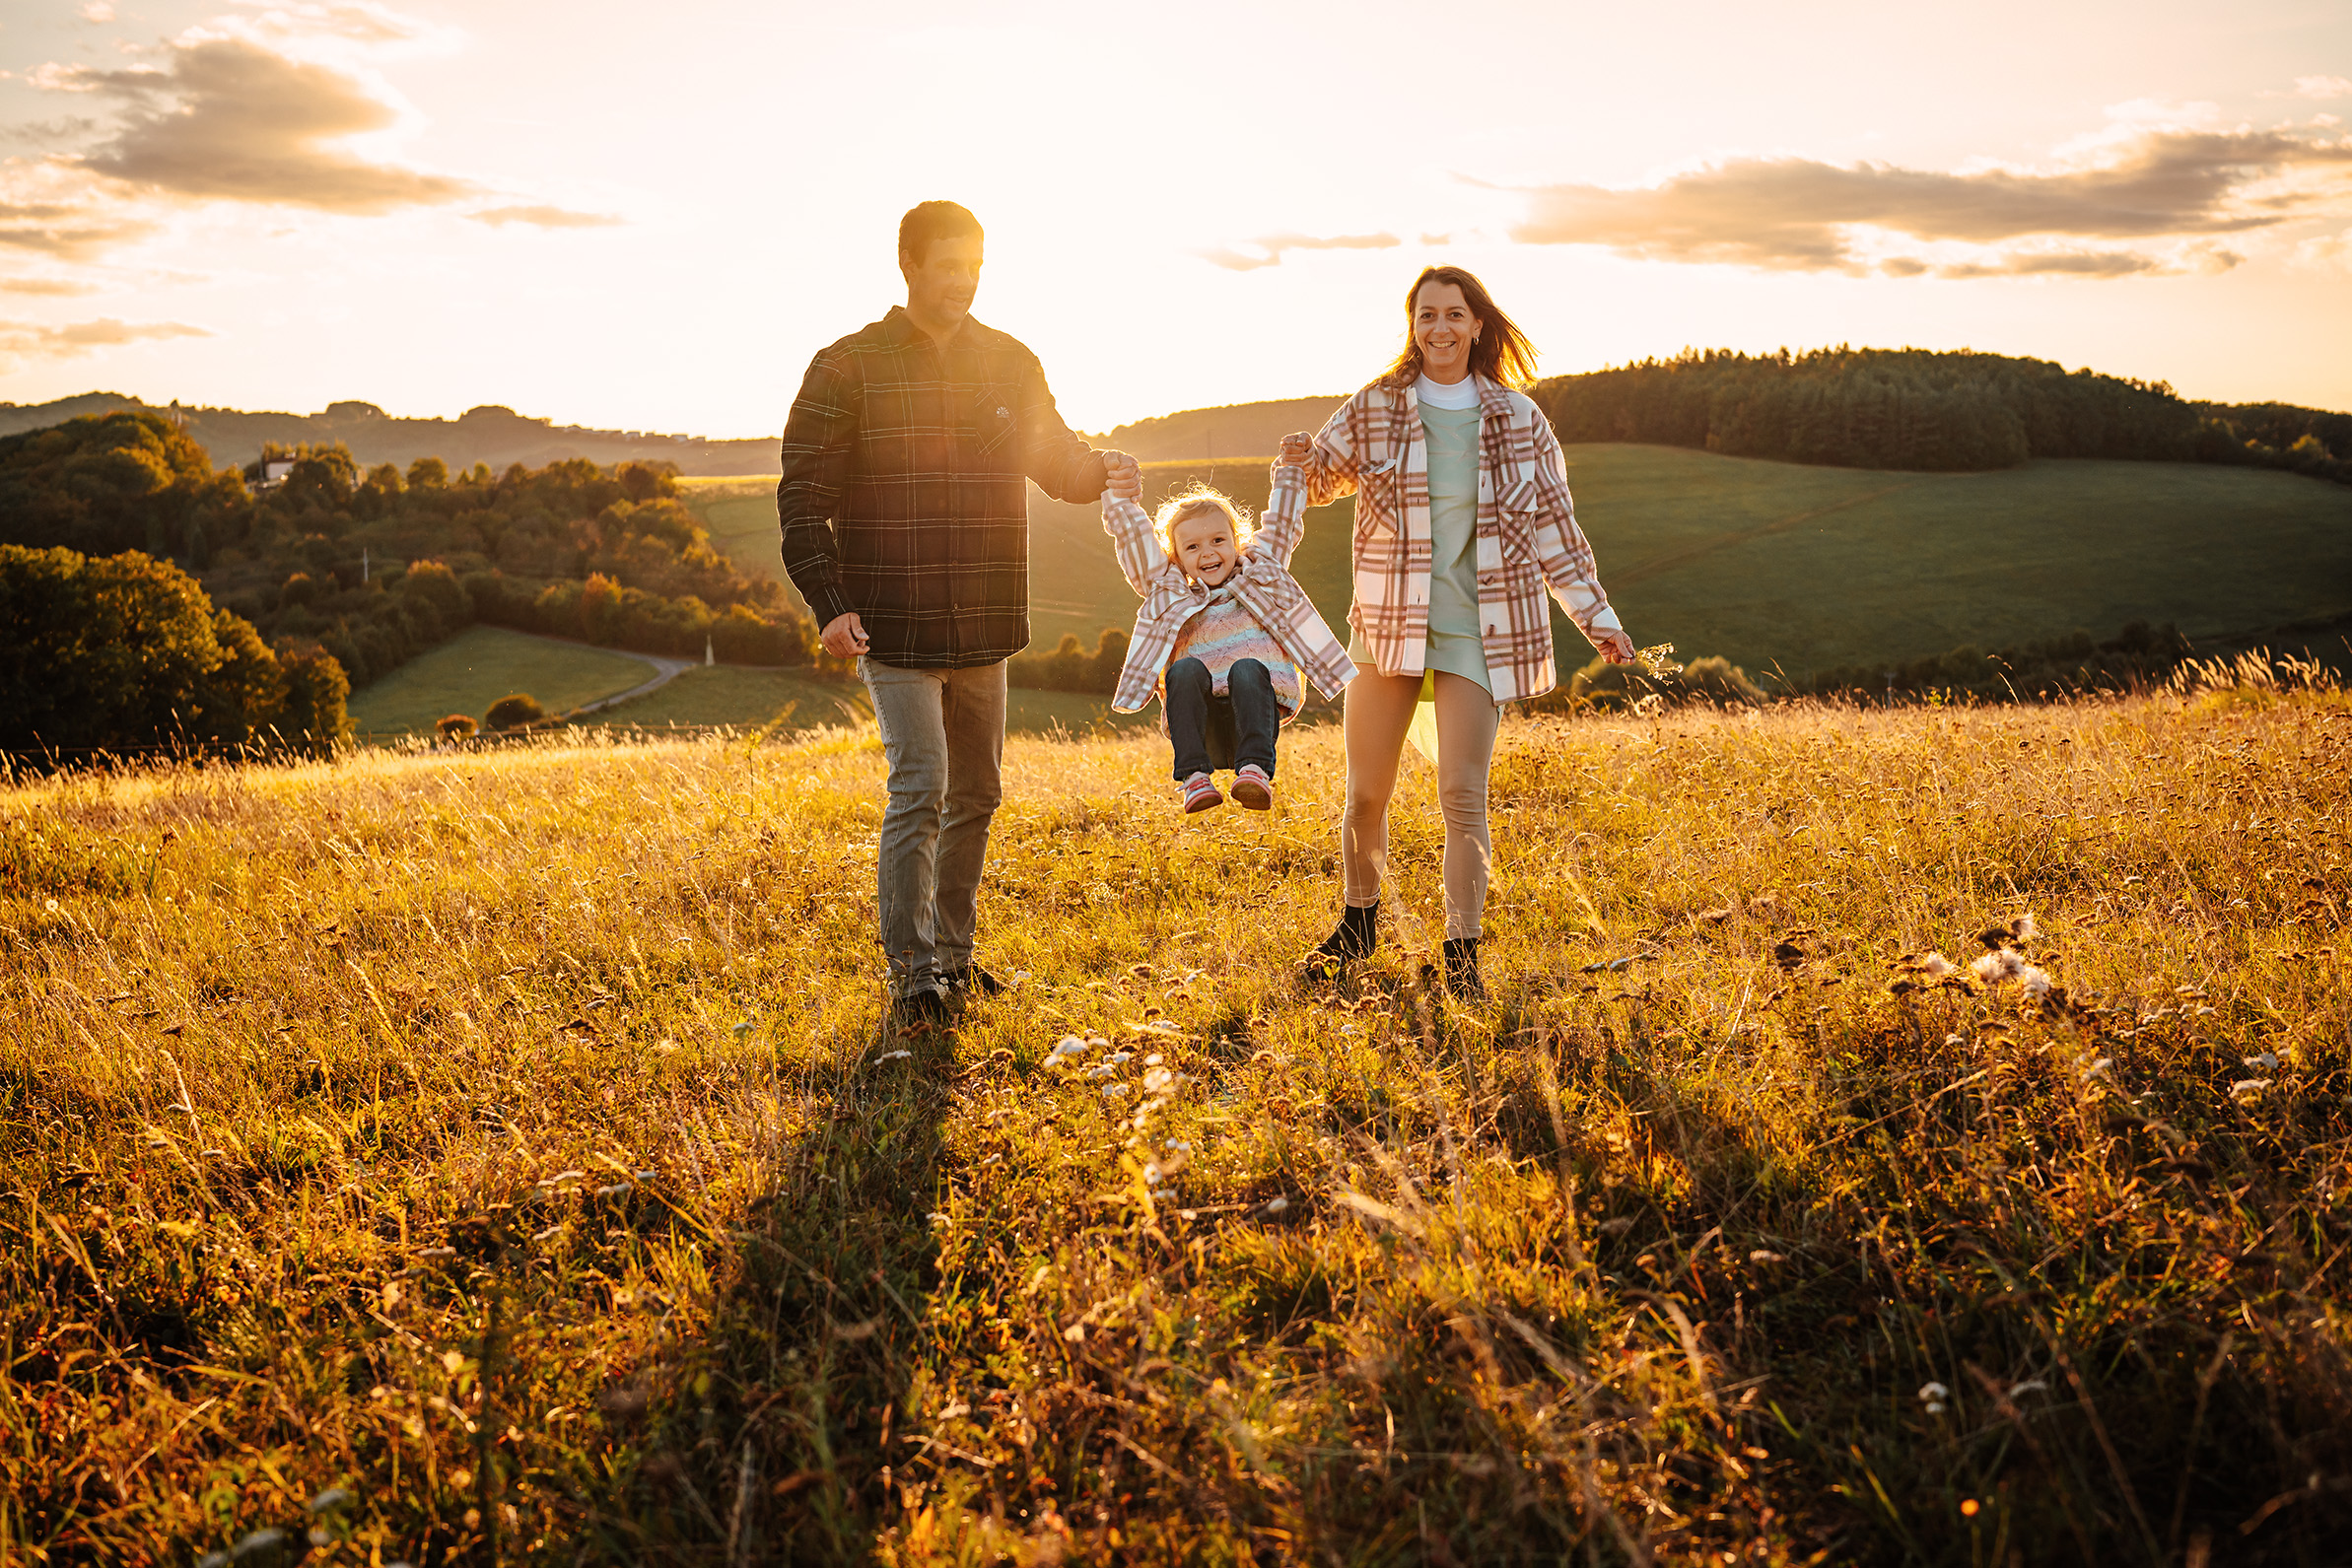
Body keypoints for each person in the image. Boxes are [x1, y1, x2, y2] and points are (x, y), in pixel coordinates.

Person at [777, 200, 1123, 1027]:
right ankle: (912, 977)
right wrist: (830, 604)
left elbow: (1056, 460)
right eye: (948, 265)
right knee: (921, 787)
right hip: (890, 622)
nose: (964, 280)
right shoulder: (846, 366)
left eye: (975, 265)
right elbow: (801, 496)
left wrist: (1104, 469)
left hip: (985, 618)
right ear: (909, 264)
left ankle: (956, 960)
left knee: (978, 792)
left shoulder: (1010, 361)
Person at [1286, 265, 1637, 999]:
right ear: (1411, 326)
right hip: (1387, 623)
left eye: (1453, 315)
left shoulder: (1519, 418)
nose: (1439, 329)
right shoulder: (1376, 407)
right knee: (1364, 795)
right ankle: (1357, 925)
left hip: (1481, 627)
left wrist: (1597, 618)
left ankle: (1462, 951)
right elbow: (1320, 483)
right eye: (1426, 317)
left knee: (1462, 793)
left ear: (1479, 324)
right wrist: (1297, 462)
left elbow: (1556, 530)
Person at [1097, 458, 1354, 812]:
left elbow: (1283, 523)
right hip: (1201, 718)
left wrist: (1292, 469)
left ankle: (1254, 772)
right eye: (1192, 547)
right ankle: (1194, 779)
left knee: (1248, 667)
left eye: (1218, 540)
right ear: (1176, 557)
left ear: (1238, 540)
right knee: (1183, 671)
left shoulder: (1261, 573)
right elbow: (1134, 542)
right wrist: (1118, 496)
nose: (1208, 552)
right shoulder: (1169, 590)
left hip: (1254, 710)